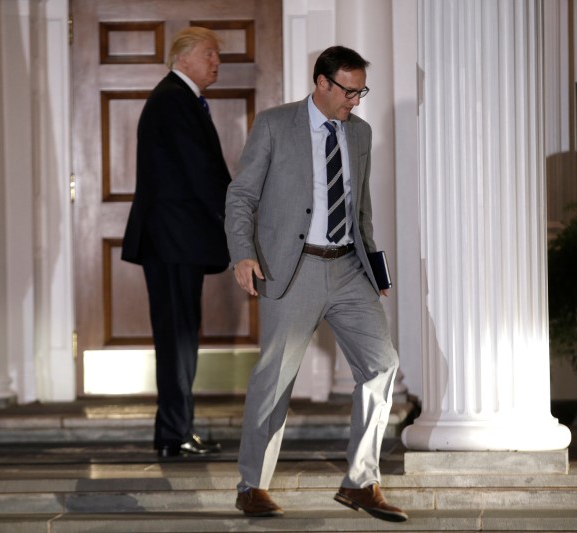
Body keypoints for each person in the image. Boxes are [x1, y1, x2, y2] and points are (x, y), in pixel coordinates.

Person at [225, 45, 407, 523]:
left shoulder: (360, 133)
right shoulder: (273, 124)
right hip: (293, 268)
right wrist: (243, 253)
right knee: (275, 378)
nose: (356, 101)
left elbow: (359, 207)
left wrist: (375, 270)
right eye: (349, 90)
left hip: (349, 268)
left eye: (361, 90)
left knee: (382, 365)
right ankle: (252, 486)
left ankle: (361, 481)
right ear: (322, 83)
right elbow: (241, 195)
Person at [121, 27, 231, 458]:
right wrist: (237, 215)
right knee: (177, 340)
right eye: (209, 54)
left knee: (182, 338)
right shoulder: (173, 99)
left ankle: (178, 429)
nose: (216, 62)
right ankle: (173, 434)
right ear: (183, 58)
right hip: (172, 243)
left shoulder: (180, 98)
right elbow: (199, 171)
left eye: (217, 55)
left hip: (178, 242)